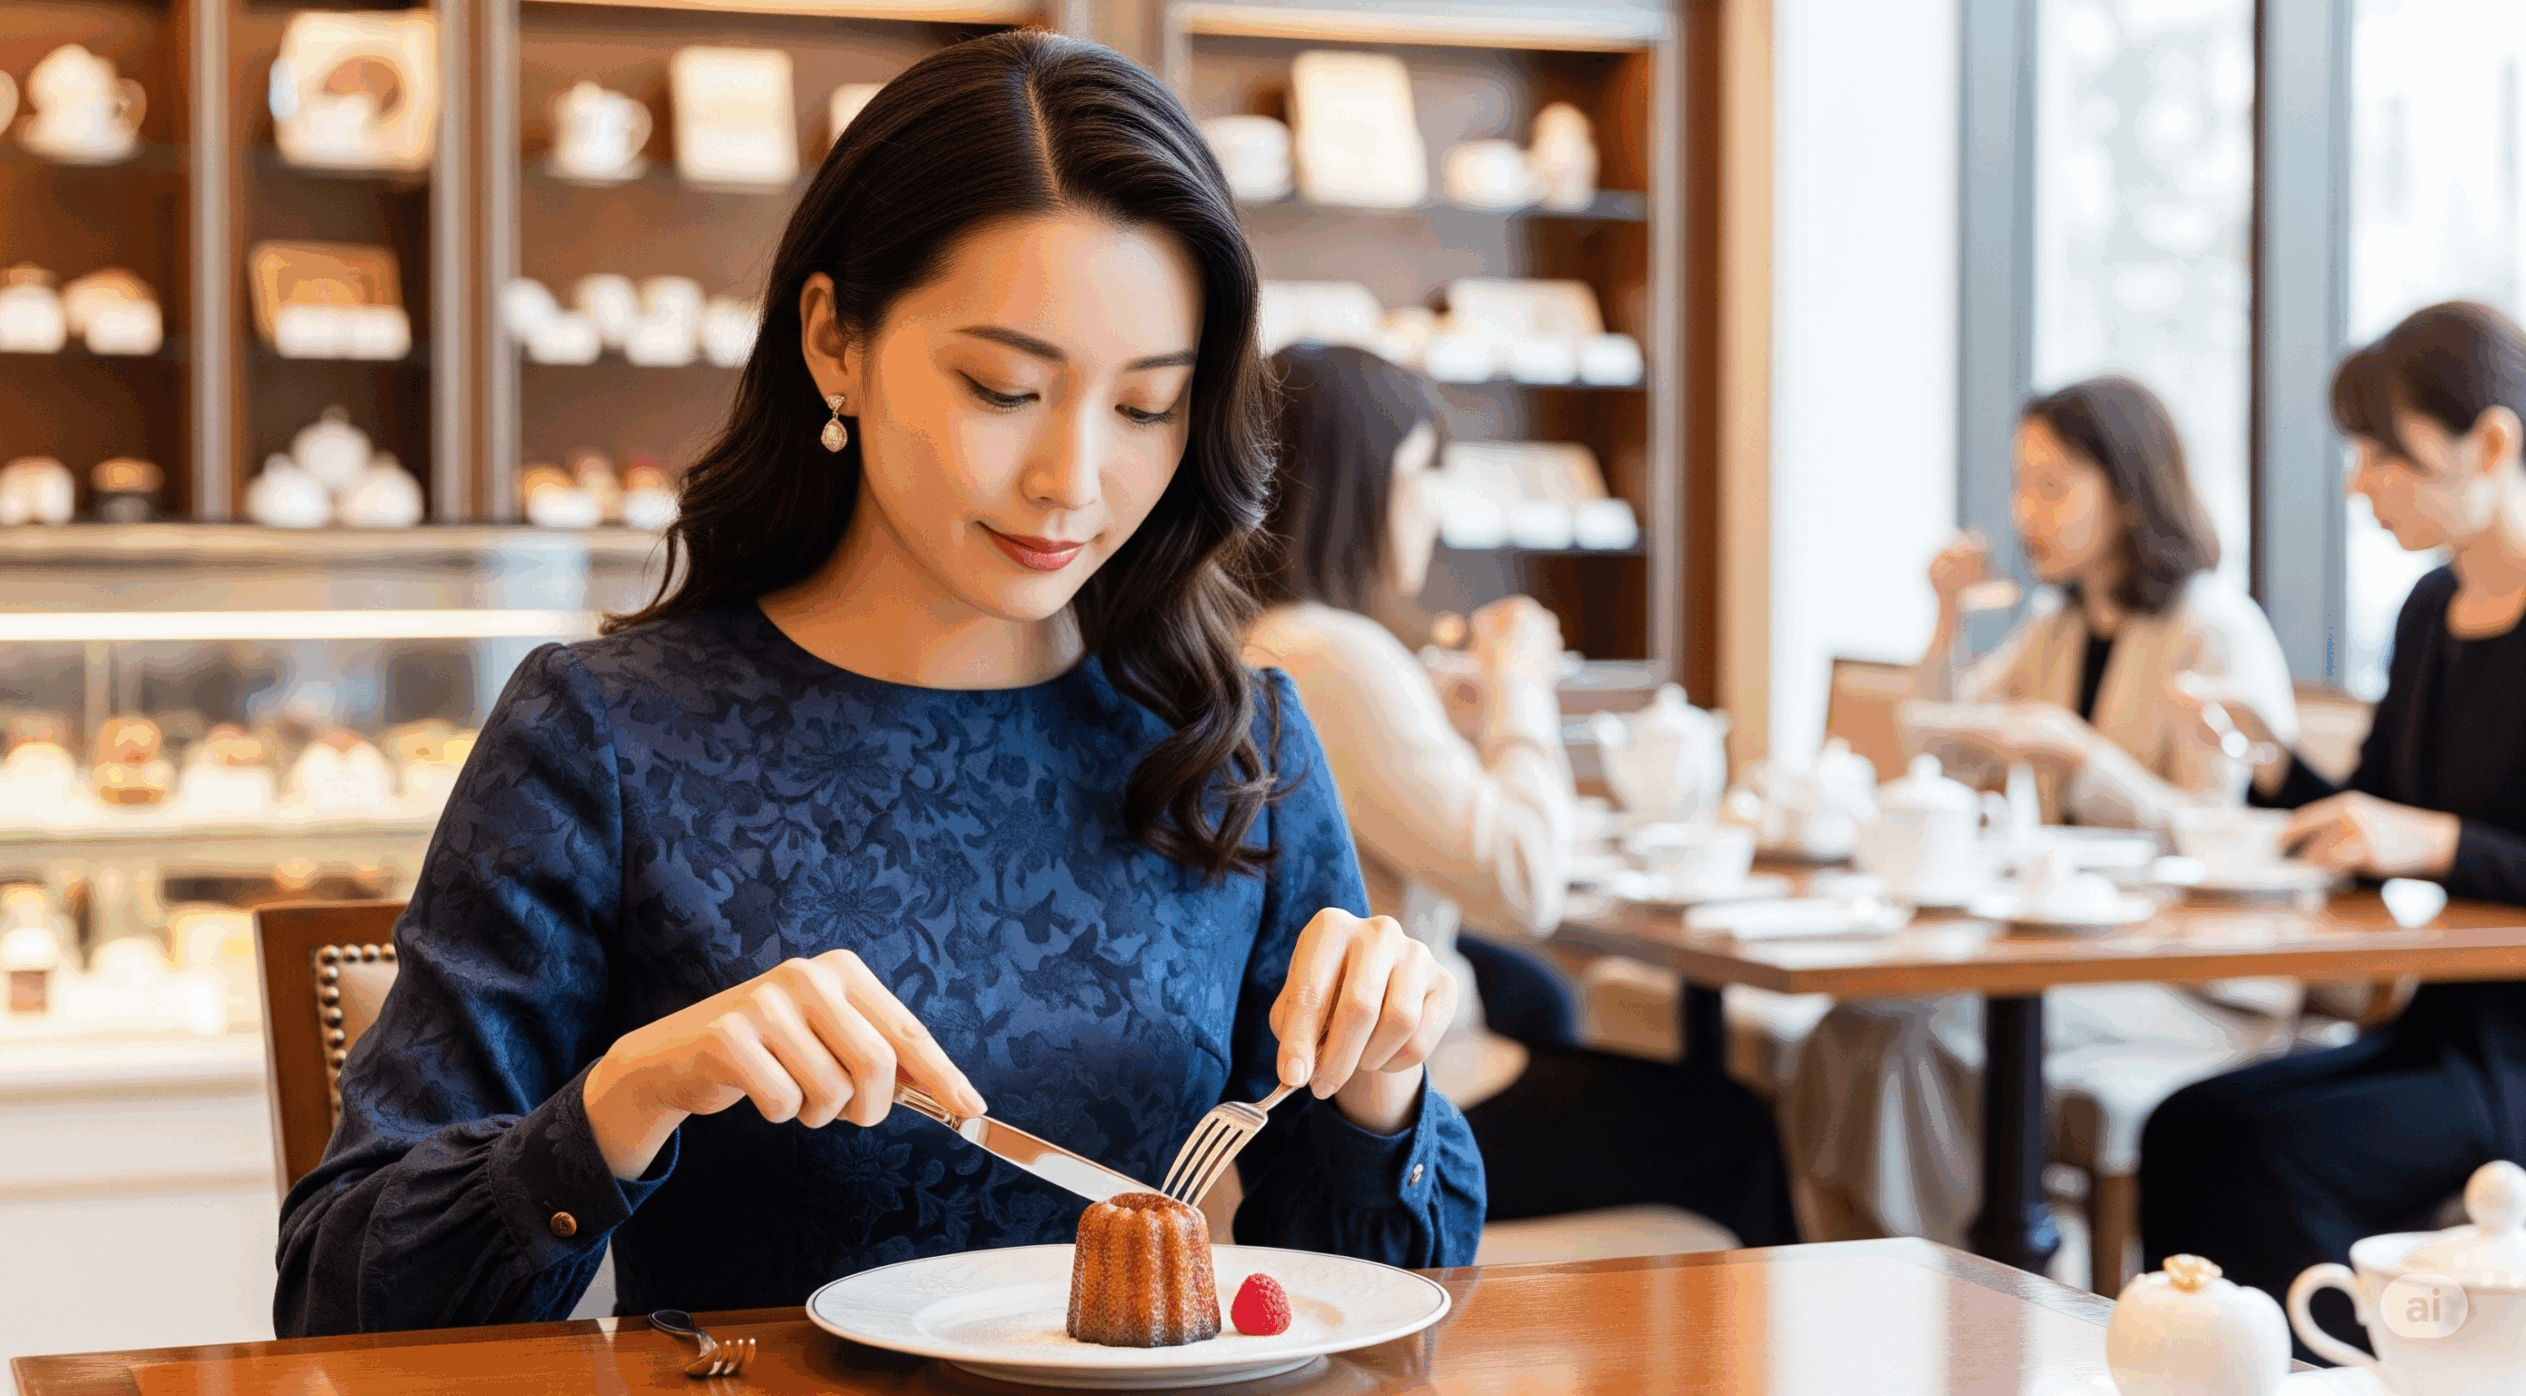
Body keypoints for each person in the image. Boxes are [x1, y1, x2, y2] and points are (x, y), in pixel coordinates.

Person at [272, 33, 1485, 1337]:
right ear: (834, 340)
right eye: (1004, 387)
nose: (1071, 479)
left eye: (1145, 408)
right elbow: (341, 1297)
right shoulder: (606, 736)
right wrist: (627, 1100)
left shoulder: (1233, 741)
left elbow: (1374, 1297)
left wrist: (1384, 1093)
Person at [1241, 342, 1798, 1248]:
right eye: (1422, 473)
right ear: (1361, 482)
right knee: (1732, 1124)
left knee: (1540, 1000)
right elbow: (1524, 882)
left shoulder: (1263, 639)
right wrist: (1519, 688)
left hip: (1346, 1071)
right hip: (1402, 1093)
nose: (1431, 505)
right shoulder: (1332, 656)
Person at [1783, 377, 2303, 1244]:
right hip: (2082, 957)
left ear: (2131, 490)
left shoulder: (2214, 629)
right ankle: (1870, 1267)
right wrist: (1946, 616)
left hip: (2194, 977)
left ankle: (1958, 1278)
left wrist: (2083, 759)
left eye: (2055, 486)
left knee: (1925, 1033)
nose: (2030, 511)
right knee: (1850, 1031)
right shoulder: (2059, 627)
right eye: (2022, 485)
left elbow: (2222, 840)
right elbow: (1938, 747)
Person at [2142, 301, 2526, 1322]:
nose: (2357, 482)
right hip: (2440, 1030)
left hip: (2513, 1054)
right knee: (2184, 1125)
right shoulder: (2430, 613)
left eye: (2382, 452)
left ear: (2491, 442)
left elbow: (2417, 832)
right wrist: (2266, 754)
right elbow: (2372, 820)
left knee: (2275, 1153)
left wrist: (2437, 842)